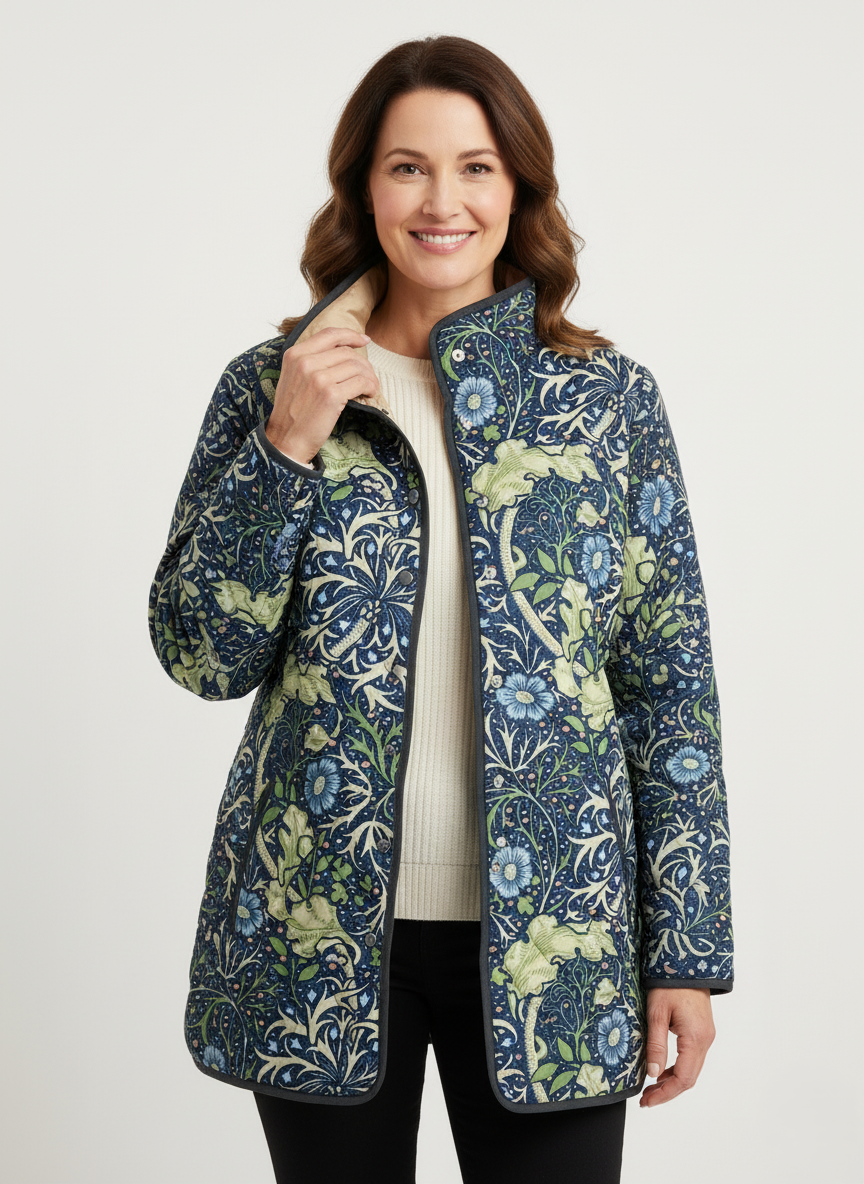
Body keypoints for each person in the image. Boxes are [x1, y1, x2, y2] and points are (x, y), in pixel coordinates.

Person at [148, 34, 733, 1184]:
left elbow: (669, 687)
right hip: (317, 932)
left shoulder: (604, 401)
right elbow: (202, 653)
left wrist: (689, 948)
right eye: (408, 167)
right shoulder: (272, 385)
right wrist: (285, 446)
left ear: (519, 189)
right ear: (364, 188)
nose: (441, 202)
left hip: (560, 938)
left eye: (475, 167)